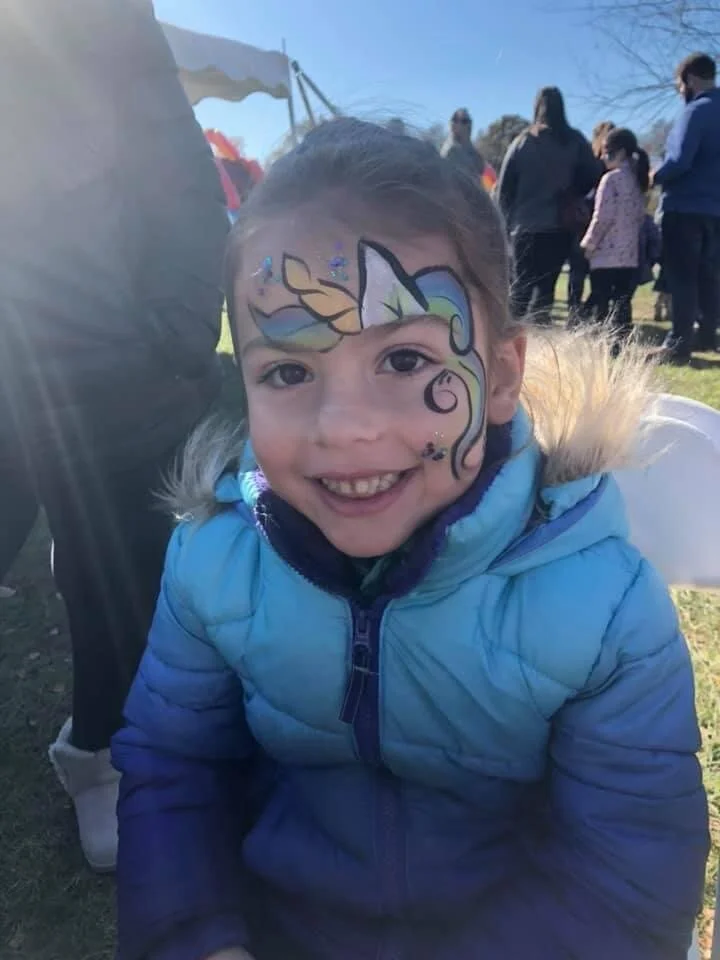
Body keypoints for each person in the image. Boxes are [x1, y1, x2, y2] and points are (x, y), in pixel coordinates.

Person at [113, 118, 708, 960]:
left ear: (501, 376)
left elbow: (629, 872)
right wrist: (197, 937)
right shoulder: (214, 561)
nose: (345, 429)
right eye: (288, 372)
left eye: (403, 361)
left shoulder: (604, 605)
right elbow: (172, 770)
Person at [0, 0, 228, 870]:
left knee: (116, 561)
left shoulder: (110, 19)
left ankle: (99, 749)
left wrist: (171, 327)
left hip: (103, 352)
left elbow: (175, 171)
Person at [498, 87, 602, 325]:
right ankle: (539, 341)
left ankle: (507, 339)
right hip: (559, 226)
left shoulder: (523, 141)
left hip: (525, 227)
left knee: (520, 291)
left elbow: (504, 189)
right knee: (545, 292)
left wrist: (503, 227)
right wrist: (572, 189)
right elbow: (594, 175)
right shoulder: (574, 141)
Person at [653, 52, 720, 362]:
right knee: (710, 275)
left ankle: (678, 343)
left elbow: (679, 161)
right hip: (715, 211)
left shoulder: (696, 112)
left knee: (683, 276)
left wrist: (654, 175)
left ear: (690, 80)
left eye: (679, 85)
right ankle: (708, 333)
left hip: (685, 207)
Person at [581, 128, 650, 338]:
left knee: (601, 300)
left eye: (606, 152)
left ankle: (601, 340)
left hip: (605, 256)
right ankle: (620, 340)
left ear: (620, 153)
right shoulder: (637, 181)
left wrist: (589, 243)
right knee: (622, 302)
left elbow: (602, 216)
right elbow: (639, 217)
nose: (602, 157)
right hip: (628, 256)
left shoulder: (610, 180)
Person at [567, 120, 616, 322]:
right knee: (588, 276)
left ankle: (580, 313)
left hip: (590, 226)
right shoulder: (598, 167)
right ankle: (583, 314)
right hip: (590, 225)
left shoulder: (595, 166)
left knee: (582, 275)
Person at [440, 108, 486, 182]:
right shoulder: (451, 150)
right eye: (464, 121)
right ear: (453, 124)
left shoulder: (473, 152)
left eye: (468, 121)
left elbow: (481, 169)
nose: (468, 125)